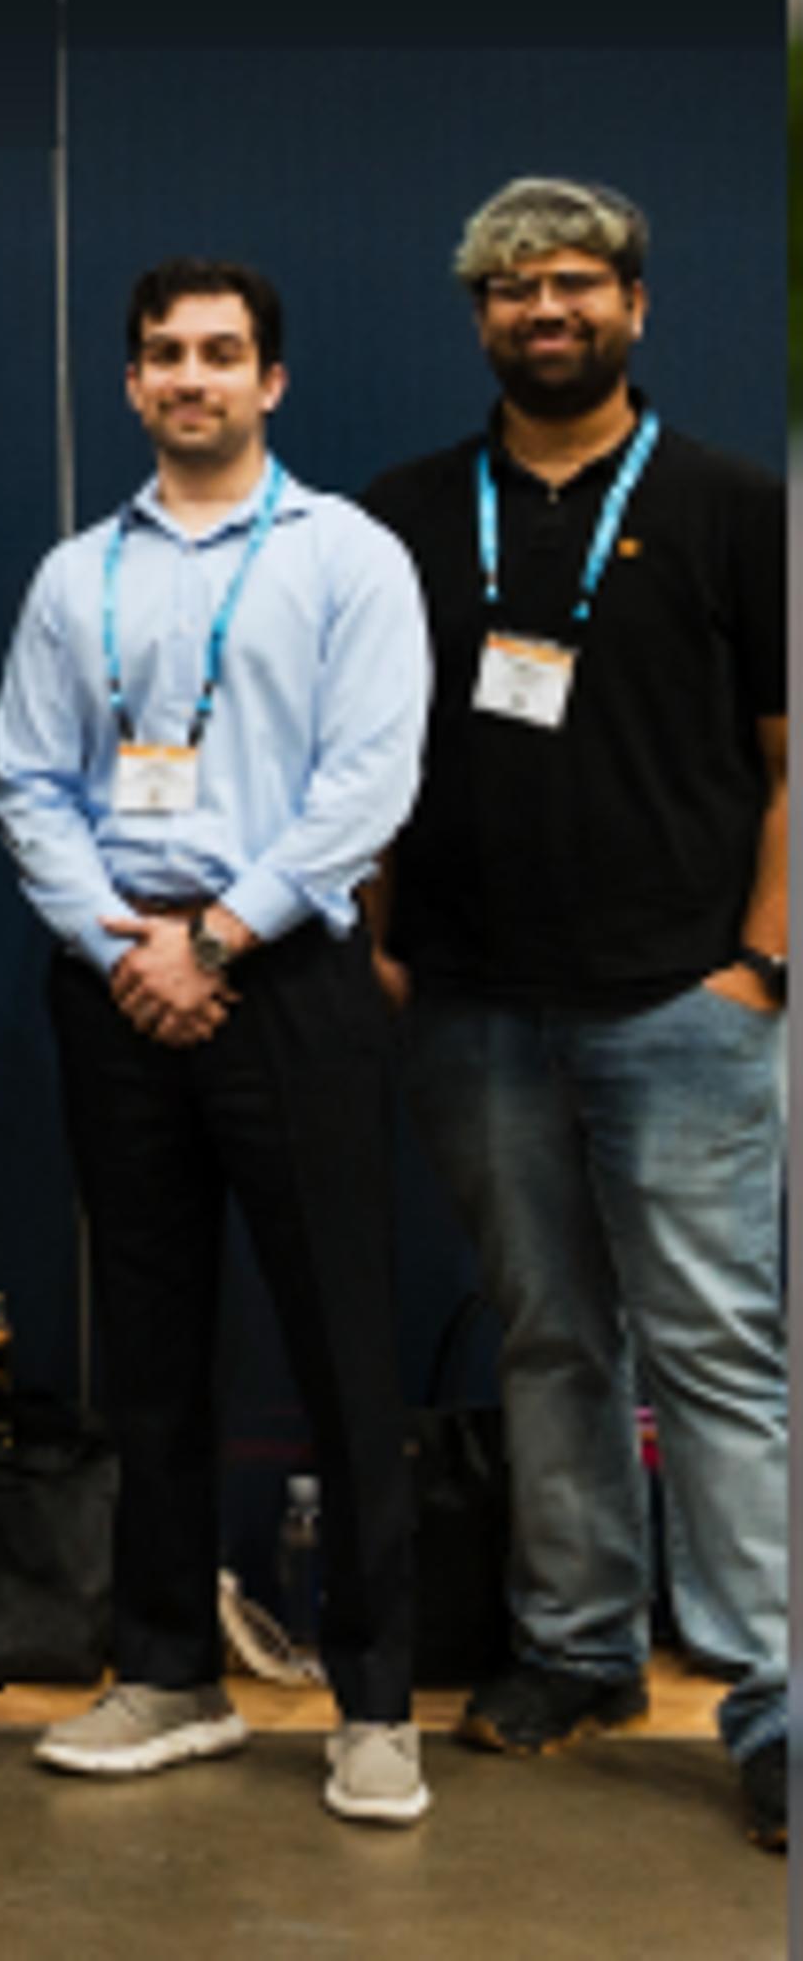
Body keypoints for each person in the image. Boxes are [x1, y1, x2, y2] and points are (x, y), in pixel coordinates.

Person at [360, 178, 789, 1848]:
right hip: (472, 1007)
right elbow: (371, 763)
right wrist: (394, 942)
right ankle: (583, 1648)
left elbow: (787, 765)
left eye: (577, 284)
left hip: (682, 1009)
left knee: (719, 1359)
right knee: (548, 1340)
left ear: (634, 305)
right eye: (514, 289)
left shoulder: (736, 507)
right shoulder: (407, 512)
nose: (546, 310)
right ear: (479, 319)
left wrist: (760, 964)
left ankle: (774, 1702)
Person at [0, 260, 433, 1825]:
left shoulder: (348, 559)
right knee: (152, 1341)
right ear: (131, 386)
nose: (192, 377)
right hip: (117, 982)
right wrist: (120, 939)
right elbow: (27, 782)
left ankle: (375, 1699)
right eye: (165, 356)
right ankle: (168, 1671)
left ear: (272, 382)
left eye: (222, 354)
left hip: (289, 979)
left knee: (342, 1339)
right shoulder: (73, 576)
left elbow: (369, 779)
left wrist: (222, 937)